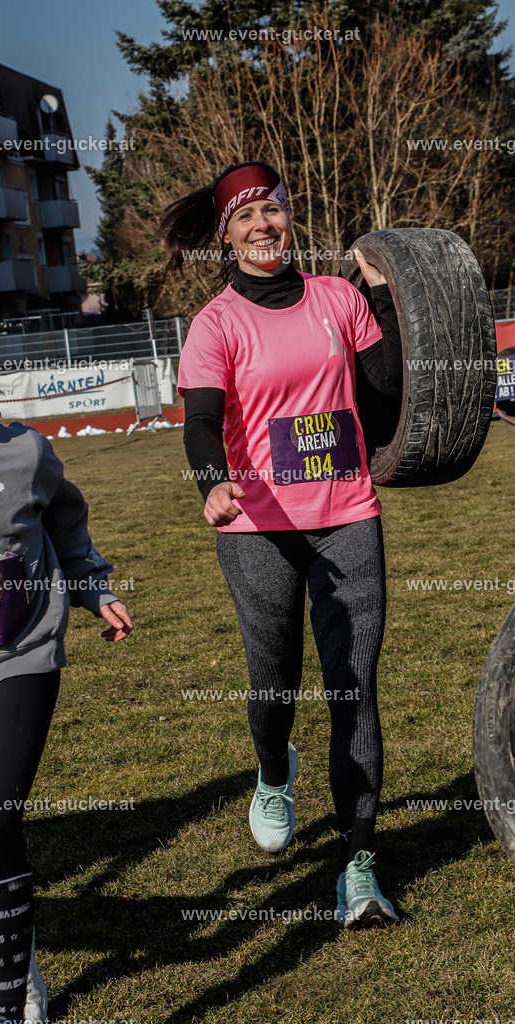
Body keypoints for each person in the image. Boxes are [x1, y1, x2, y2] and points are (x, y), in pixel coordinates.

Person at [160, 161, 403, 928]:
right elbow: (202, 421)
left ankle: (358, 868)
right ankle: (273, 770)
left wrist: (382, 297)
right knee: (275, 681)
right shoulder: (216, 324)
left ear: (287, 217)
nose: (262, 226)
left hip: (346, 513)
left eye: (271, 211)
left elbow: (385, 390)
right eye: (245, 218)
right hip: (258, 525)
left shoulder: (336, 299)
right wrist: (211, 483)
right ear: (225, 236)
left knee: (352, 687)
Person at [0, 295, 133, 1023]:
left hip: (21, 655)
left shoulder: (23, 452)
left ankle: (5, 1007)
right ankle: (20, 945)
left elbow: (67, 522)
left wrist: (90, 588)